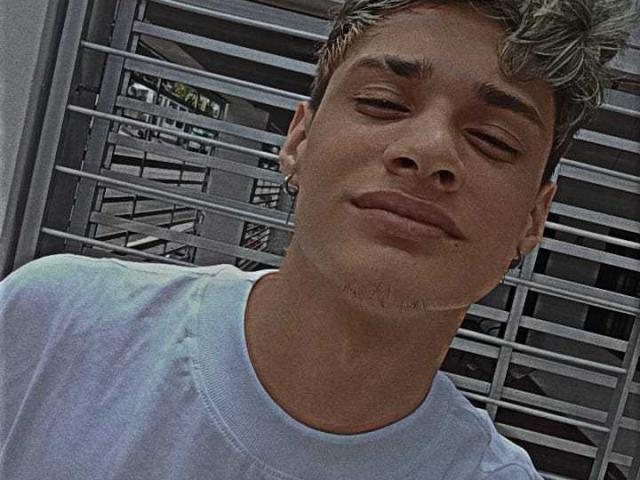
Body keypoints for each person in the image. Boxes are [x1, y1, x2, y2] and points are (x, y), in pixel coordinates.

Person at [1, 1, 636, 479]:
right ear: (298, 141)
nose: (427, 152)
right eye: (383, 102)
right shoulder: (53, 324)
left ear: (533, 218)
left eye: (494, 140)